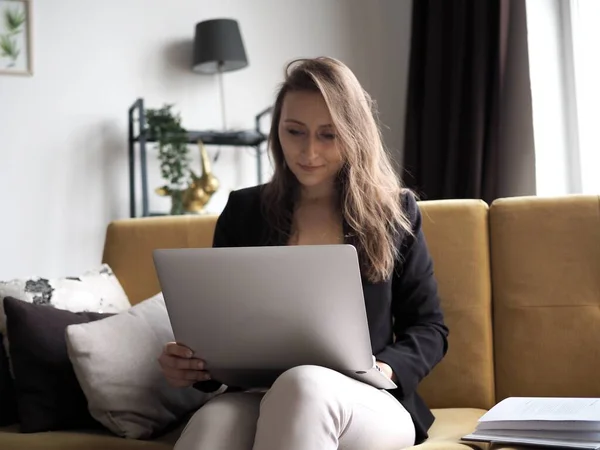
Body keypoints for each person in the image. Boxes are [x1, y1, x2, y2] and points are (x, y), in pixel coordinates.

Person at [158, 56, 449, 450]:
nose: (308, 151)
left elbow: (429, 328)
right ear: (277, 131)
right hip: (257, 392)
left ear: (354, 134)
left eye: (328, 135)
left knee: (303, 385)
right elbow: (223, 330)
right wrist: (194, 366)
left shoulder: (394, 213)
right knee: (213, 423)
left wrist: (385, 368)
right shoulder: (244, 212)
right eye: (294, 131)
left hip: (368, 401)